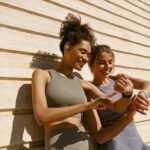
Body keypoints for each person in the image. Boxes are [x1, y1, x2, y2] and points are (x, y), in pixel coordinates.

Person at [31, 13, 138, 150]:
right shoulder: (42, 75)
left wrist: (127, 95)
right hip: (57, 143)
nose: (86, 58)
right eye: (82, 51)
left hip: (85, 143)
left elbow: (115, 106)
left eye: (88, 54)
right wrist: (87, 106)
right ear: (67, 46)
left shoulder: (82, 82)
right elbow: (41, 116)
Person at [88, 44, 150, 150]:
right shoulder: (90, 91)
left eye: (110, 62)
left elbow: (147, 84)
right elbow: (100, 138)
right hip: (115, 144)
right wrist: (127, 118)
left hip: (134, 139)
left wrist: (141, 95)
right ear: (91, 65)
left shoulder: (118, 79)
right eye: (102, 63)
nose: (108, 67)